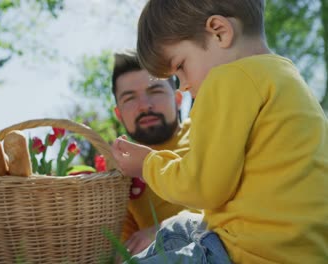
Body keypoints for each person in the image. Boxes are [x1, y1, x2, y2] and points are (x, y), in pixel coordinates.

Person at [112, 0, 328, 263]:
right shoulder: (285, 77)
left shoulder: (227, 80)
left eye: (180, 66)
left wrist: (147, 165)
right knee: (178, 227)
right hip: (298, 248)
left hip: (250, 254)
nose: (182, 86)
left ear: (219, 32)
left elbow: (202, 187)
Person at [111, 50, 196, 255]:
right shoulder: (120, 171)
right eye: (130, 98)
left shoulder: (207, 132)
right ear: (119, 114)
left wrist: (165, 230)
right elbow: (126, 245)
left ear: (177, 99)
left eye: (155, 91)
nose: (144, 106)